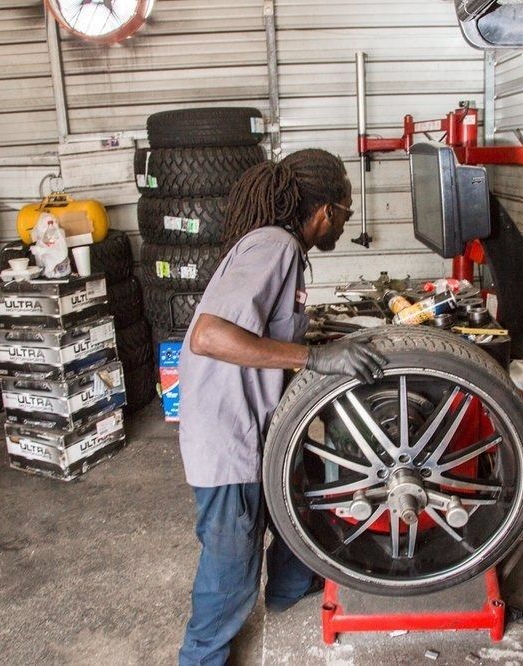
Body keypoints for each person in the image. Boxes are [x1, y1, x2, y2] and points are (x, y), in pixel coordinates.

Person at [176, 149, 386, 665]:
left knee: (300, 495)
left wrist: (317, 337)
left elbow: (262, 325)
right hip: (229, 433)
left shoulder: (278, 247)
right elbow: (209, 335)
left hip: (255, 423)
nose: (343, 224)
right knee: (231, 559)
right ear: (324, 213)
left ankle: (290, 591)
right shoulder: (276, 246)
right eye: (345, 213)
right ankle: (200, 656)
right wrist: (315, 356)